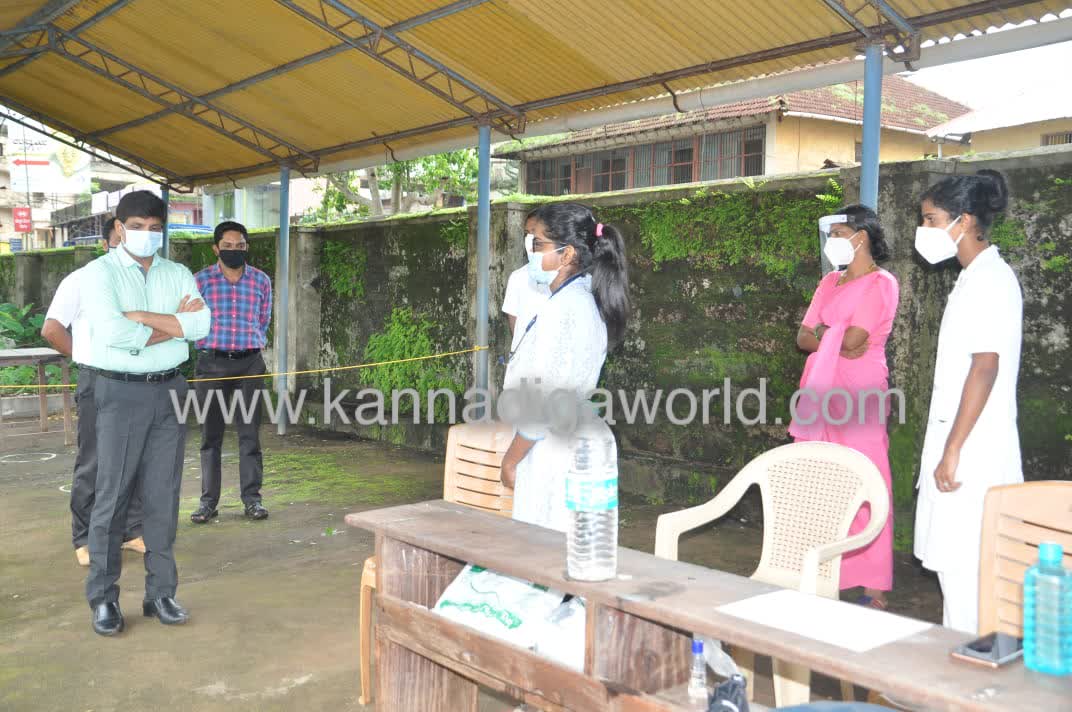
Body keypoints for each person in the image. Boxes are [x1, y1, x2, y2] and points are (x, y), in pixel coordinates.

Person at [79, 190, 211, 636]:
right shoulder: (99, 274)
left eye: (155, 229)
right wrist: (172, 322)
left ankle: (160, 594)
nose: (146, 235)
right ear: (119, 228)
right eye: (136, 227)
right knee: (112, 496)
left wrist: (141, 317)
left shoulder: (178, 273)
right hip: (119, 392)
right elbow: (113, 334)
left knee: (163, 496)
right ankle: (103, 598)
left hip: (169, 390)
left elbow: (201, 325)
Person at [912, 170, 1022, 634]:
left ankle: (970, 666)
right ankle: (959, 657)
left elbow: (985, 367)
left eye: (932, 220)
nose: (924, 230)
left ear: (965, 220)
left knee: (967, 572)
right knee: (956, 574)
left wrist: (953, 448)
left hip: (974, 448)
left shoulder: (991, 280)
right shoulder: (972, 277)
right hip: (961, 440)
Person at [791, 205, 900, 610]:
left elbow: (855, 340)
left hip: (860, 392)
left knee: (867, 478)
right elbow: (803, 336)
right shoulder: (829, 281)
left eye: (838, 233)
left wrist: (827, 336)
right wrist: (834, 339)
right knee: (821, 478)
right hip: (822, 388)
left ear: (861, 236)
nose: (832, 240)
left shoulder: (881, 283)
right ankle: (825, 570)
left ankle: (874, 582)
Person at [498, 202, 630, 532]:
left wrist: (512, 459)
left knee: (547, 550)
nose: (530, 251)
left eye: (537, 243)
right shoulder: (583, 299)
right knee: (581, 550)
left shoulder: (565, 309)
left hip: (557, 451)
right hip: (579, 443)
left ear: (567, 254)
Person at [41, 216, 146, 566]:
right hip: (99, 381)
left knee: (135, 456)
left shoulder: (145, 282)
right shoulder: (81, 280)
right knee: (95, 459)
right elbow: (52, 329)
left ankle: (130, 530)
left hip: (138, 380)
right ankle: (84, 537)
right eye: (119, 241)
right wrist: (87, 358)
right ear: (105, 244)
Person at [189, 221, 272, 524]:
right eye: (227, 246)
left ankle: (252, 500)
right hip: (211, 364)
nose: (234, 250)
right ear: (216, 248)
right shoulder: (200, 281)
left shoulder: (261, 280)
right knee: (211, 436)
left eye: (240, 246)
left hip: (250, 364)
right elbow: (190, 321)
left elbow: (263, 320)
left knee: (250, 435)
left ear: (246, 247)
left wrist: (248, 346)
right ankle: (208, 503)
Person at [502, 209, 550, 350]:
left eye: (534, 232)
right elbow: (515, 327)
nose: (529, 238)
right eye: (526, 233)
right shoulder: (517, 277)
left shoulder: (562, 277)